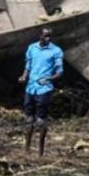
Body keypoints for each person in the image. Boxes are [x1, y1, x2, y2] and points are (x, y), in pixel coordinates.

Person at [18, 26, 63, 157]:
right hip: (31, 88)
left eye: (50, 36)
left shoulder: (56, 51)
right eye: (46, 36)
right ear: (40, 36)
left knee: (40, 121)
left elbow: (59, 72)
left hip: (44, 89)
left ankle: (40, 152)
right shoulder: (32, 48)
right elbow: (28, 65)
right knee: (28, 119)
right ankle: (26, 149)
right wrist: (24, 76)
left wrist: (48, 78)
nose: (48, 38)